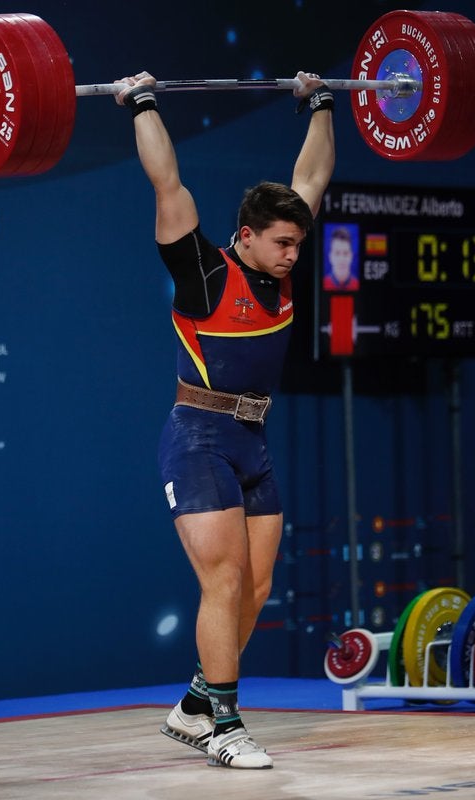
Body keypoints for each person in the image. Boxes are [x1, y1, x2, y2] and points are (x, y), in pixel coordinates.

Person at [116, 69, 335, 769]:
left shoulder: (281, 261)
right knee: (224, 582)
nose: (293, 256)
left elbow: (314, 173)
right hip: (199, 438)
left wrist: (322, 101)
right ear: (246, 237)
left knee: (259, 586)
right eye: (282, 245)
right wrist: (143, 101)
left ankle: (194, 704)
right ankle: (226, 726)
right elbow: (168, 182)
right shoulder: (203, 271)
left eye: (298, 245)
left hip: (253, 440)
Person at [323, 225, 359, 291]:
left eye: (345, 253)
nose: (341, 259)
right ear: (330, 257)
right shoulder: (323, 284)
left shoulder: (357, 284)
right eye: (337, 253)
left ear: (351, 256)